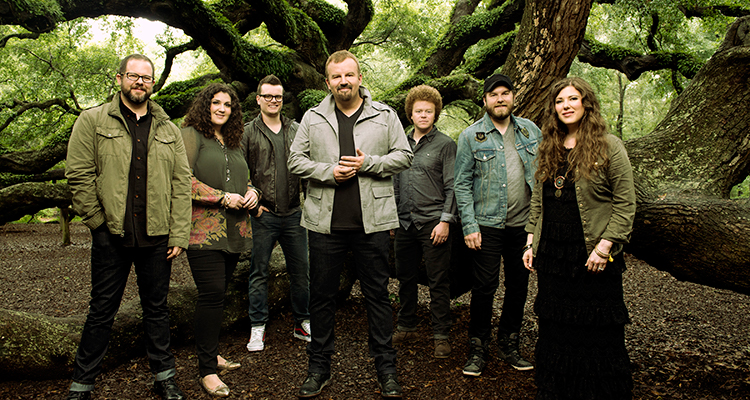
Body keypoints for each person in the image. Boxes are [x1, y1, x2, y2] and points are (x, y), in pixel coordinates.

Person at [64, 54, 191, 400]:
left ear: (153, 84)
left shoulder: (169, 129)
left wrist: (179, 233)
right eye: (133, 76)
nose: (140, 82)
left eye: (146, 78)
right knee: (102, 311)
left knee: (157, 310)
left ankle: (164, 378)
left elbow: (182, 183)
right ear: (119, 79)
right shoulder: (92, 120)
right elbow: (78, 174)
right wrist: (97, 223)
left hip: (157, 236)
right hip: (112, 235)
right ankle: (81, 385)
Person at [288, 50, 412, 398]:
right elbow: (295, 160)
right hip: (324, 224)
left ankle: (386, 369)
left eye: (349, 75)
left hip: (372, 223)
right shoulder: (313, 117)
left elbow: (404, 156)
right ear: (328, 82)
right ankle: (318, 368)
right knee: (321, 298)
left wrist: (368, 163)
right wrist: (328, 172)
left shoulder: (384, 115)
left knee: (377, 297)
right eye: (336, 76)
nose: (343, 81)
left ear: (359, 78)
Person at [523, 77, 636, 399]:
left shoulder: (609, 146)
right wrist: (530, 241)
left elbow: (626, 203)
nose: (566, 106)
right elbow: (538, 200)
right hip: (553, 255)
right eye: (560, 101)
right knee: (556, 327)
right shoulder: (549, 146)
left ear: (586, 103)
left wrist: (605, 247)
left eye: (573, 99)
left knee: (596, 328)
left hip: (591, 253)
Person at [453, 73, 541, 376]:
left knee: (519, 285)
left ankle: (509, 343)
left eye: (505, 93)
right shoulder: (471, 136)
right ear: (485, 100)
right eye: (494, 94)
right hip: (486, 225)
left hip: (523, 226)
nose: (500, 99)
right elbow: (461, 184)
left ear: (513, 97)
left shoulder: (530, 131)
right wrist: (469, 225)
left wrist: (538, 226)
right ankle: (478, 347)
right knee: (484, 286)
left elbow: (542, 177)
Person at [181, 83, 259, 397]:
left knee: (219, 294)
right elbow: (181, 178)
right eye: (216, 103)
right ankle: (207, 371)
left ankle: (211, 353)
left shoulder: (233, 140)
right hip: (203, 231)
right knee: (211, 294)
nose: (222, 109)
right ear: (206, 105)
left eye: (228, 105)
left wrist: (253, 192)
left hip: (235, 230)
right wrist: (222, 197)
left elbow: (245, 178)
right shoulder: (191, 135)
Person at [242, 75, 310, 352]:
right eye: (268, 96)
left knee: (302, 271)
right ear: (258, 99)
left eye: (278, 96)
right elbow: (238, 170)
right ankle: (257, 327)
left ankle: (302, 322)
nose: (273, 100)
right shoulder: (248, 132)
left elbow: (307, 165)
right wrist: (253, 203)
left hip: (294, 214)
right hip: (263, 215)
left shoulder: (296, 129)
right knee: (259, 272)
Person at [392, 85, 457, 358]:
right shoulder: (400, 143)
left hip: (433, 223)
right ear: (410, 114)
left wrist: (445, 221)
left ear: (435, 114)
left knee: (438, 281)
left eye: (428, 111)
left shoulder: (446, 145)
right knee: (404, 278)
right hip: (405, 223)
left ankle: (441, 334)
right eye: (418, 111)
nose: (423, 115)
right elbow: (395, 182)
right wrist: (393, 218)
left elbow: (453, 186)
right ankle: (407, 326)